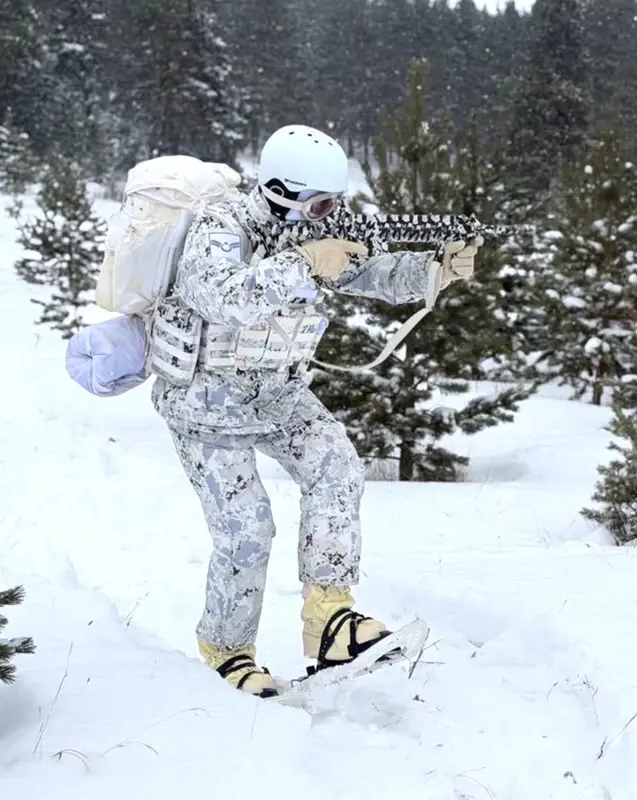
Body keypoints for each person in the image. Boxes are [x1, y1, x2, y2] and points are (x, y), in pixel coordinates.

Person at [143, 124, 480, 697]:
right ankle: (226, 650)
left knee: (338, 469)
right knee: (248, 530)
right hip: (206, 405)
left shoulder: (316, 230)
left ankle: (329, 619)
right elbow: (219, 296)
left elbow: (369, 272)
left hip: (278, 394)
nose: (330, 215)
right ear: (279, 190)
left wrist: (433, 269)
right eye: (319, 204)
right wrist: (304, 265)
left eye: (335, 203)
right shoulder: (221, 226)